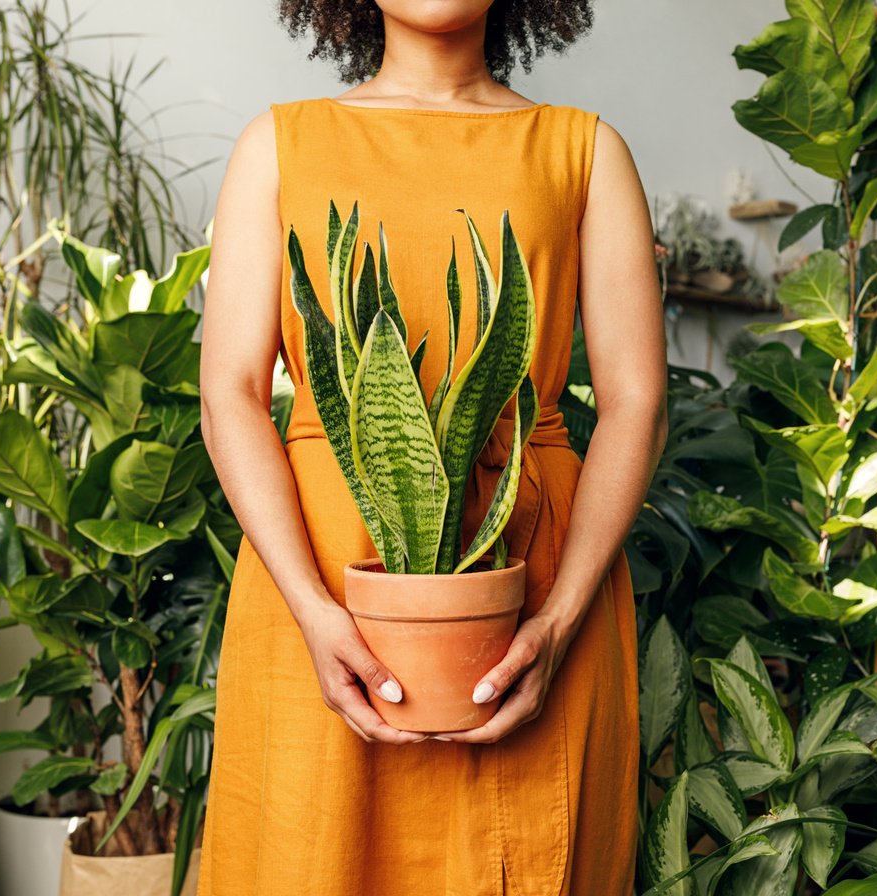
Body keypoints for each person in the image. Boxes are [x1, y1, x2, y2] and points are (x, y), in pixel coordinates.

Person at [196, 1, 667, 893]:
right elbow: (229, 397)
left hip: (531, 589)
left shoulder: (584, 150)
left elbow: (636, 402)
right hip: (320, 593)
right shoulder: (279, 145)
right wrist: (310, 607)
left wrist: (559, 623)